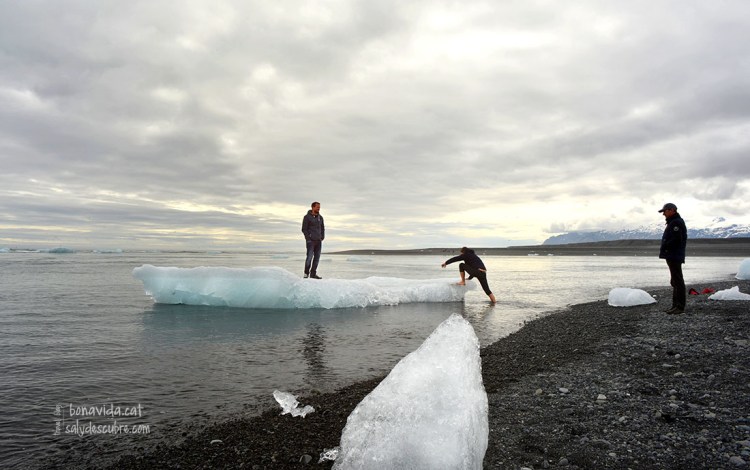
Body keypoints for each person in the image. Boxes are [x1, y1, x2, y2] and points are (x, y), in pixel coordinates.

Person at [658, 202, 687, 314]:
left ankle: (679, 306)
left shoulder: (676, 223)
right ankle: (675, 306)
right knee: (675, 280)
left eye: (664, 211)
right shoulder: (673, 222)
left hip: (674, 255)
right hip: (672, 255)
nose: (663, 214)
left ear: (671, 210)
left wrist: (666, 247)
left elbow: (677, 239)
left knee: (677, 280)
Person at [301, 201, 325, 279]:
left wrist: (322, 236)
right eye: (317, 207)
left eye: (319, 207)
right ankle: (306, 274)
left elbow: (322, 228)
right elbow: (304, 229)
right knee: (309, 257)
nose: (319, 208)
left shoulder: (320, 217)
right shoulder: (307, 217)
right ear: (313, 207)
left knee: (317, 258)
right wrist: (308, 239)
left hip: (318, 241)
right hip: (311, 241)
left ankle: (313, 274)